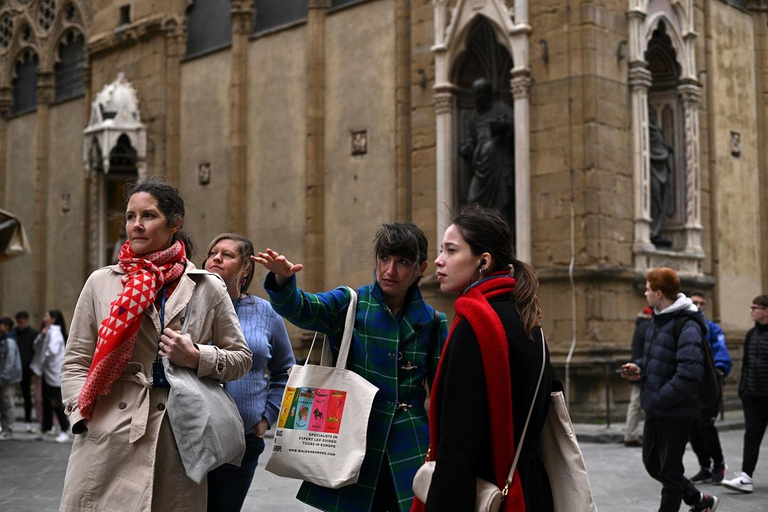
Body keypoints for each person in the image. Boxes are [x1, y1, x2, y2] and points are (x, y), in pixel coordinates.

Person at [59, 178, 252, 512]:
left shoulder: (206, 287)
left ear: (174, 223)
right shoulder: (101, 282)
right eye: (131, 216)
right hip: (107, 433)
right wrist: (81, 414)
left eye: (148, 216)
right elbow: (76, 359)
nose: (136, 225)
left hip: (176, 436)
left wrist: (196, 356)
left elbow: (241, 359)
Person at [255, 221, 448, 512]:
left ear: (420, 268)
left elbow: (443, 394)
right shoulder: (351, 302)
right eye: (384, 259)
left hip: (410, 445)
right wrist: (283, 282)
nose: (390, 270)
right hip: (351, 440)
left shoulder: (433, 321)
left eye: (402, 262)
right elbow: (304, 308)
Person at [414, 205, 556, 512]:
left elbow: (457, 444)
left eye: (451, 250)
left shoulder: (474, 325)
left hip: (484, 494)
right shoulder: (529, 320)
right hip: (530, 488)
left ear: (484, 261)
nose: (438, 261)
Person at [203, 233, 295, 512]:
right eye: (213, 252)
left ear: (246, 270)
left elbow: (285, 369)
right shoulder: (189, 306)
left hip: (243, 440)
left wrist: (268, 416)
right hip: (191, 435)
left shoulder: (264, 312)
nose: (217, 258)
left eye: (227, 254)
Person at [621, 267, 718, 512]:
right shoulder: (658, 317)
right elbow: (656, 358)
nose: (645, 293)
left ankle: (691, 504)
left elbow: (689, 375)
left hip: (676, 411)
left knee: (670, 471)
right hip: (657, 407)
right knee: (653, 464)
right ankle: (699, 500)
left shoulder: (688, 325)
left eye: (648, 289)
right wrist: (640, 366)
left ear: (659, 293)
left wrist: (657, 399)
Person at [721, 294, 768, 494]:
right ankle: (745, 477)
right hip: (752, 396)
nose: (751, 311)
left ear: (766, 311)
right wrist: (743, 389)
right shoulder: (750, 335)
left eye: (754, 308)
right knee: (751, 437)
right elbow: (747, 365)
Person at [687, 291, 731, 484]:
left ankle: (718, 464)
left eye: (701, 303)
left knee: (706, 425)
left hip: (709, 385)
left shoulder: (712, 328)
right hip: (690, 386)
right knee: (692, 428)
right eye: (695, 302)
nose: (698, 306)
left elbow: (721, 352)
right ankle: (705, 466)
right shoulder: (686, 327)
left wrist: (719, 371)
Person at [459, 77, 514, 220]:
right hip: (480, 165)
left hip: (499, 164)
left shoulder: (501, 108)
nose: (479, 97)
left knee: (501, 206)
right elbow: (469, 140)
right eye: (476, 94)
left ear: (488, 93)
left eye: (481, 93)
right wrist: (467, 149)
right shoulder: (474, 117)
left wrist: (502, 127)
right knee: (473, 200)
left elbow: (514, 126)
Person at [29, 310, 70, 443]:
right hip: (47, 372)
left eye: (46, 316)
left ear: (53, 319)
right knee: (46, 402)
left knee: (55, 402)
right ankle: (45, 429)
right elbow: (36, 346)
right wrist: (41, 336)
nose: (44, 318)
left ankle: (64, 429)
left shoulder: (55, 333)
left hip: (53, 372)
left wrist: (43, 363)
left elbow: (51, 351)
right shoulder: (47, 331)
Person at [623, 306, 652, 447]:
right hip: (642, 370)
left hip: (638, 367)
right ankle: (630, 434)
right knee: (637, 403)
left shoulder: (640, 325)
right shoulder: (647, 326)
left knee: (636, 403)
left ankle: (631, 433)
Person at [10, 311, 39, 432]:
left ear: (26, 320)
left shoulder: (33, 333)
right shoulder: (13, 333)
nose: (19, 324)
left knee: (27, 396)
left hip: (26, 368)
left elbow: (36, 351)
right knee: (9, 396)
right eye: (17, 321)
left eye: (21, 321)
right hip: (13, 369)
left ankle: (28, 422)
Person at [0, 316, 22, 440]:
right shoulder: (6, 339)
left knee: (7, 404)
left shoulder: (9, 341)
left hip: (7, 380)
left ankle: (8, 428)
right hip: (5, 378)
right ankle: (5, 428)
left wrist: (4, 377)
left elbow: (9, 361)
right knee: (4, 404)